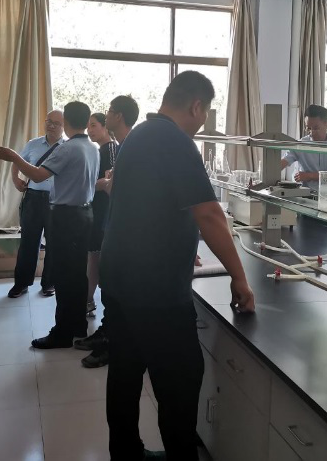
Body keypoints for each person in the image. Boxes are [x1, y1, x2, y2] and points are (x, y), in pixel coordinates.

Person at [99, 72, 255, 460]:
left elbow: (143, 204)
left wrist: (176, 244)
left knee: (124, 376)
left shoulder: (139, 135)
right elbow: (210, 215)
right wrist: (239, 277)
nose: (202, 122)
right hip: (155, 293)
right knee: (180, 383)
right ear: (196, 106)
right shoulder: (175, 141)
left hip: (119, 280)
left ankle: (126, 453)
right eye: (206, 114)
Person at [0, 101, 99, 348]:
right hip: (85, 214)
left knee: (64, 276)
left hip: (66, 216)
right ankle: (78, 326)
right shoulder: (92, 147)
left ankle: (62, 333)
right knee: (77, 274)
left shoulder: (67, 148)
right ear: (86, 121)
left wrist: (14, 157)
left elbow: (39, 175)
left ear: (66, 122)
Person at [76, 94, 139, 370]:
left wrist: (107, 183)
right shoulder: (123, 147)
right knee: (111, 286)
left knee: (116, 286)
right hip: (114, 224)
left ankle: (113, 343)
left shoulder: (129, 147)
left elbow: (120, 190)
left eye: (110, 111)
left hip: (124, 227)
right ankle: (106, 332)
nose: (106, 114)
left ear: (118, 116)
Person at [7, 109, 64, 299]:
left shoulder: (67, 147)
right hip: (32, 198)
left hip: (56, 201)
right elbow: (17, 162)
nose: (51, 125)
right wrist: (15, 179)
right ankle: (21, 284)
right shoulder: (33, 144)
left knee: (54, 244)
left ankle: (49, 283)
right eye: (49, 121)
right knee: (28, 243)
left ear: (64, 126)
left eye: (56, 123)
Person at [86, 112, 117, 316]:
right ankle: (88, 299)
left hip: (105, 211)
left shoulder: (111, 148)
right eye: (88, 126)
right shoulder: (99, 150)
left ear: (105, 127)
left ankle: (90, 300)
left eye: (93, 125)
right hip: (96, 209)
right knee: (93, 256)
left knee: (96, 257)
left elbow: (110, 184)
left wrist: (88, 185)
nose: (89, 130)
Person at [281, 104, 327, 190]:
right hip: (304, 194)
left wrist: (309, 176)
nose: (312, 132)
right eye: (308, 128)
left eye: (316, 128)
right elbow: (281, 163)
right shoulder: (300, 144)